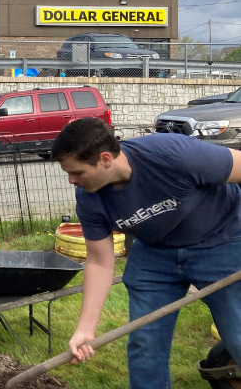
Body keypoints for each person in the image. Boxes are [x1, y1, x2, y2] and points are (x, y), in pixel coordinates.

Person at [54, 118, 241, 389]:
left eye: (77, 172)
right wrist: (86, 328)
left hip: (222, 242)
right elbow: (99, 261)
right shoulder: (90, 198)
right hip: (155, 254)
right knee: (145, 344)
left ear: (105, 159)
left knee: (237, 336)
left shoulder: (173, 154)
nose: (72, 180)